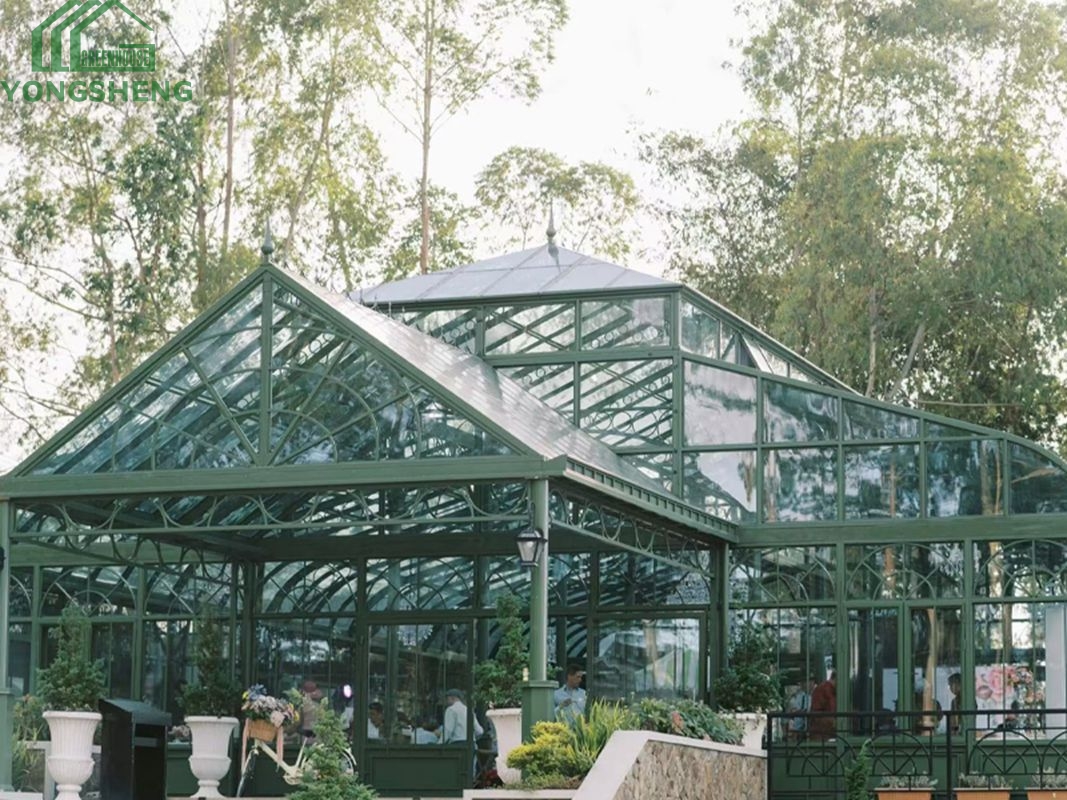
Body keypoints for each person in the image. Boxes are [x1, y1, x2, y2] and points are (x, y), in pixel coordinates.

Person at [808, 671, 836, 740]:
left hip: (829, 734)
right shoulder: (823, 689)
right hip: (820, 734)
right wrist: (833, 721)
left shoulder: (834, 691)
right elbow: (816, 714)